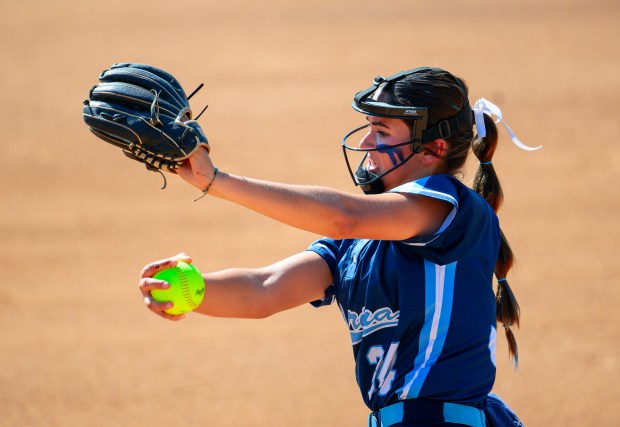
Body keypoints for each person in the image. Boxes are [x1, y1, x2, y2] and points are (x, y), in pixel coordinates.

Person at [139, 67, 536, 427]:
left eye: (382, 131)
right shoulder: (354, 245)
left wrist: (217, 181)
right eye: (368, 126)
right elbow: (265, 289)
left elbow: (345, 214)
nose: (365, 141)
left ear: (433, 149)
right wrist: (194, 291)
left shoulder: (450, 207)